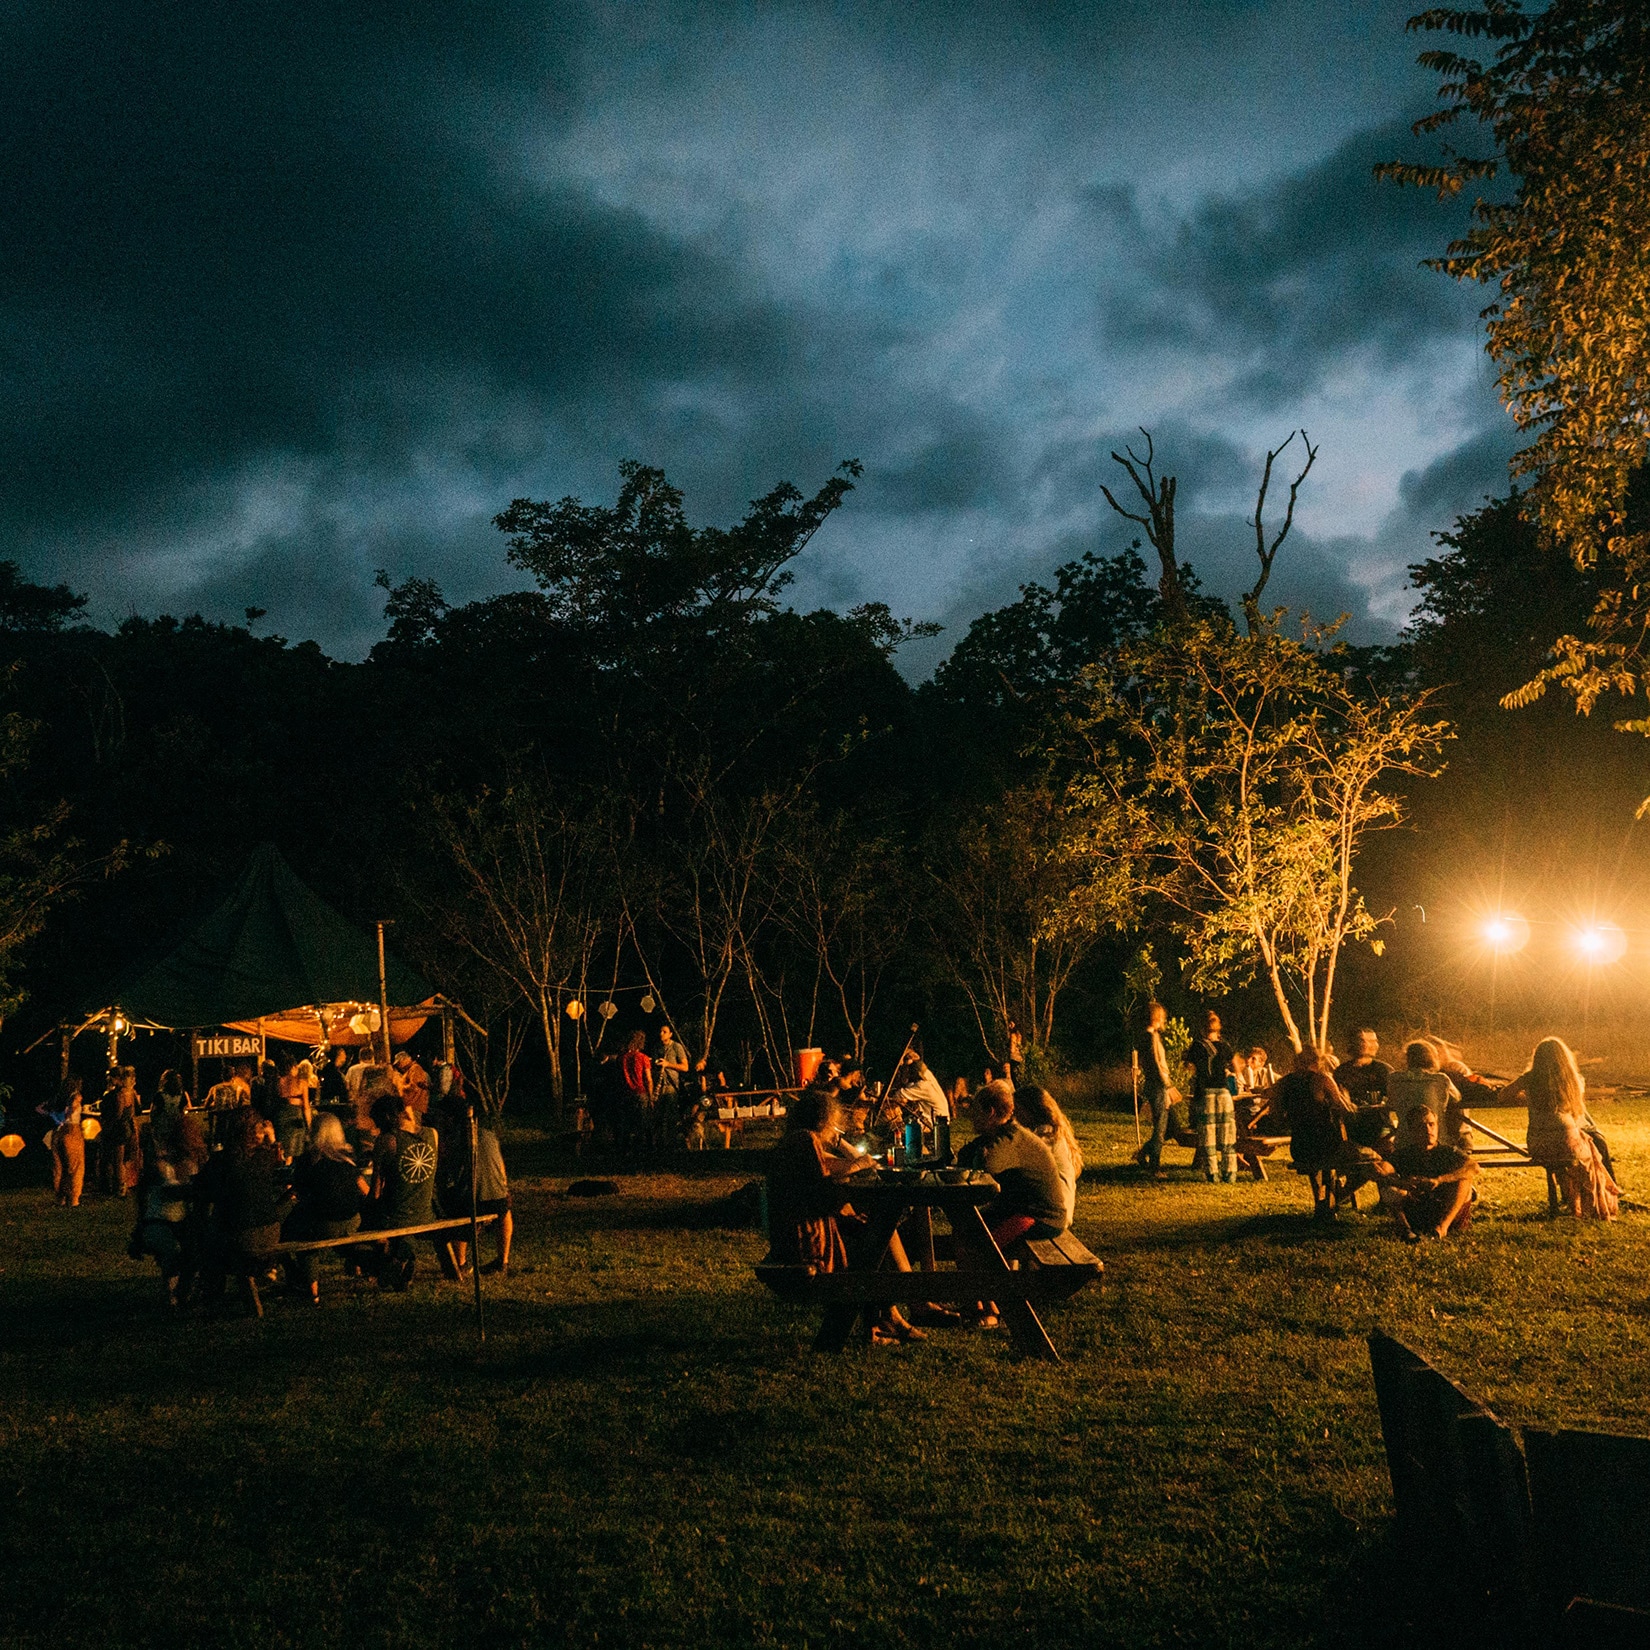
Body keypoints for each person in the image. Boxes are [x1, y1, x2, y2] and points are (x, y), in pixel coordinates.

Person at [762, 1086, 923, 1345]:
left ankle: (886, 1319)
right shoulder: (806, 1141)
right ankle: (913, 1301)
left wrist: (849, 1165)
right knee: (876, 1235)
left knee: (874, 1230)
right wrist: (857, 1169)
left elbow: (822, 1178)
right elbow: (824, 1197)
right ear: (826, 1121)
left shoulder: (794, 1141)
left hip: (794, 1237)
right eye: (836, 1124)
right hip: (807, 1246)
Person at [1497, 1037, 1620, 1220]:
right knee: (1591, 1148)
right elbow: (1576, 1111)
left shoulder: (1530, 1079)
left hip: (1539, 1145)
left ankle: (1572, 1200)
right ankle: (1602, 1197)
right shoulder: (1575, 1080)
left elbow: (1502, 1096)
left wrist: (1529, 1099)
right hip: (1567, 1143)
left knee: (1577, 1148)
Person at [1275, 1049, 1392, 1221]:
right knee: (1376, 1157)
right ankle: (1337, 1198)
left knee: (1331, 1160)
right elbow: (1347, 1113)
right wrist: (1344, 1097)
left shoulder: (1282, 1083)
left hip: (1299, 1148)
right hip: (1328, 1147)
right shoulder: (1322, 1079)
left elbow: (1276, 1117)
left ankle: (1326, 1202)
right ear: (1319, 1062)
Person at [197, 1108, 293, 1308]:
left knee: (209, 1231)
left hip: (242, 1236)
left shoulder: (221, 1160)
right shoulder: (264, 1158)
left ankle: (210, 1292)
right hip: (271, 1232)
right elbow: (278, 1163)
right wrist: (272, 1138)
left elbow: (202, 1191)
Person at [957, 1081, 1067, 1245]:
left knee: (980, 1242)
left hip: (1041, 1217)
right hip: (1019, 1209)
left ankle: (986, 1269)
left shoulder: (1011, 1139)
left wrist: (978, 1151)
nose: (972, 1116)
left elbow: (986, 1167)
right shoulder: (1003, 1133)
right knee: (965, 1229)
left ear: (990, 1113)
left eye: (976, 1111)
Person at [283, 1113, 368, 1302]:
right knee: (338, 1236)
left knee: (303, 1239)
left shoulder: (309, 1159)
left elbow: (300, 1192)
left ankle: (311, 1291)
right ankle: (357, 1268)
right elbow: (362, 1187)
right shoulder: (347, 1156)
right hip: (353, 1220)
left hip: (325, 1223)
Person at [132, 1106, 207, 1308]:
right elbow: (157, 1191)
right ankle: (173, 1292)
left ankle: (182, 1292)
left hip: (183, 1220)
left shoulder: (192, 1159)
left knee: (195, 1251)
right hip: (159, 1219)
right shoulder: (158, 1163)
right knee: (173, 1250)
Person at [370, 1089, 442, 1287]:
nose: (376, 1128)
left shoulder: (387, 1140)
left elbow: (375, 1192)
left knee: (368, 1216)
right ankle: (402, 1258)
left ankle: (388, 1262)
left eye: (377, 1122)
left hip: (396, 1216)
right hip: (426, 1212)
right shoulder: (432, 1134)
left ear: (385, 1117)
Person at [1380, 1103, 1479, 1241]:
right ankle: (1406, 1229)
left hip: (1445, 1209)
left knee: (1465, 1180)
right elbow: (1378, 1170)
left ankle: (1441, 1228)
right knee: (1388, 1186)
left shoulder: (1447, 1152)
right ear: (1411, 1130)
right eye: (1421, 1126)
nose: (1428, 1130)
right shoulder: (1405, 1154)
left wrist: (1440, 1180)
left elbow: (1473, 1167)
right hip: (1417, 1210)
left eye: (1432, 1124)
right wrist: (1403, 1184)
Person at [1013, 1085, 1083, 1230]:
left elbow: (1021, 1163)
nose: (1015, 1116)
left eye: (1017, 1110)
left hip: (1051, 1215)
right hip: (1052, 1211)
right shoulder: (1052, 1132)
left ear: (1030, 1111)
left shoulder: (1046, 1137)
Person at [1387, 1042, 1469, 1151]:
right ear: (1432, 1058)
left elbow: (1392, 1101)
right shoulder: (1440, 1079)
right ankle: (1465, 1140)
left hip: (1404, 1142)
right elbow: (1457, 1098)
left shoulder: (1394, 1079)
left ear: (1408, 1058)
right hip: (1436, 1141)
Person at [1189, 1012, 1238, 1185]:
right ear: (1219, 1028)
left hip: (1206, 1093)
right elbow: (1235, 1066)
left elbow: (1189, 1067)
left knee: (1208, 1136)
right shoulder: (1225, 1045)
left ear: (1202, 1028)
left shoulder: (1197, 1045)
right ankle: (1230, 1173)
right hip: (1224, 1094)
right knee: (1227, 1135)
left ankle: (1212, 1174)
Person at [1133, 1001, 1178, 1178]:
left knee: (1172, 1127)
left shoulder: (1151, 1036)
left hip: (1156, 1085)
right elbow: (1156, 1064)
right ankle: (1154, 1167)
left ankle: (1144, 1152)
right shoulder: (1149, 1037)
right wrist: (1168, 1086)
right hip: (1158, 1085)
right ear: (1156, 1017)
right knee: (1161, 1127)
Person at [37, 1077, 85, 1207]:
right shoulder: (75, 1097)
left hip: (57, 1133)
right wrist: (64, 1117)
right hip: (72, 1131)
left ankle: (60, 1198)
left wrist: (53, 1116)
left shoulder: (58, 1098)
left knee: (58, 1166)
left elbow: (39, 1108)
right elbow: (71, 1111)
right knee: (75, 1167)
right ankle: (74, 1199)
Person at [100, 1066, 142, 1197]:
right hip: (128, 1127)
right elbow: (136, 1111)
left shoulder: (119, 1094)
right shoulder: (131, 1092)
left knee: (117, 1160)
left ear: (116, 1078)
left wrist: (108, 1127)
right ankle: (124, 1186)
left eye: (111, 1077)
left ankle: (120, 1188)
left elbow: (118, 1114)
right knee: (124, 1160)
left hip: (119, 1129)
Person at [620, 1029, 654, 1155]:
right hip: (640, 1092)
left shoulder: (623, 1058)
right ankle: (646, 1150)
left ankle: (626, 1150)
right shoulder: (643, 1058)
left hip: (626, 1093)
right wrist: (651, 1097)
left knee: (628, 1123)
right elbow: (648, 1080)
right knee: (644, 1122)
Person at [392, 1049, 430, 1120]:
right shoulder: (410, 1070)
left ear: (405, 1059)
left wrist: (400, 1087)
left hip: (414, 1106)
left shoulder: (415, 1068)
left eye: (399, 1063)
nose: (399, 1066)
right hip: (411, 1106)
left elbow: (414, 1087)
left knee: (414, 1128)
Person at [1003, 1018, 1025, 1085]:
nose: (1010, 1026)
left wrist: (1010, 1049)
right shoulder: (1020, 1035)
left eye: (1011, 1024)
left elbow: (1012, 1049)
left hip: (1014, 1058)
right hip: (1020, 1058)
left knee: (1014, 1080)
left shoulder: (1013, 1035)